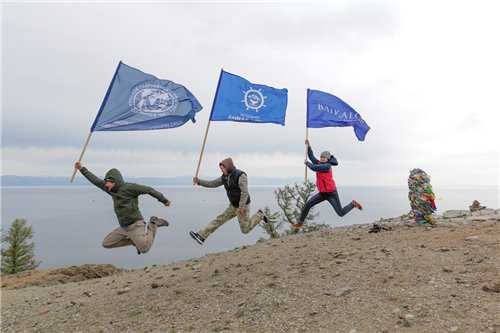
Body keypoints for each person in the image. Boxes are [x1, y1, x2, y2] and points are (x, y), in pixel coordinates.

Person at [74, 162, 171, 254]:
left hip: (135, 225)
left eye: (108, 182)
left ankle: (153, 224)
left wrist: (164, 200)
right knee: (107, 244)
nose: (106, 184)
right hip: (124, 227)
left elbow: (149, 190)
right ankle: (134, 242)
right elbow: (95, 180)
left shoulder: (130, 188)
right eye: (105, 182)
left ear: (114, 182)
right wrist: (81, 169)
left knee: (144, 249)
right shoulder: (111, 190)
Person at [189, 158, 268, 245]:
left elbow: (244, 193)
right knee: (219, 220)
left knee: (245, 230)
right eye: (221, 169)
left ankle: (260, 215)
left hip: (243, 206)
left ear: (228, 167)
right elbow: (212, 184)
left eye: (223, 168)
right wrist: (199, 181)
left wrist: (241, 207)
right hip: (233, 206)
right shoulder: (224, 177)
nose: (222, 171)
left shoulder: (241, 175)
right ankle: (202, 236)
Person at [294, 140, 362, 230]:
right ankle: (300, 223)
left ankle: (353, 204)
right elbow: (311, 156)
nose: (322, 158)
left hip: (331, 194)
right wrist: (309, 146)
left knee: (340, 213)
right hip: (322, 194)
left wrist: (307, 163)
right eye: (321, 157)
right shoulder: (319, 162)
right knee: (308, 204)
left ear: (328, 159)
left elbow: (315, 168)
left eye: (324, 157)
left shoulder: (327, 166)